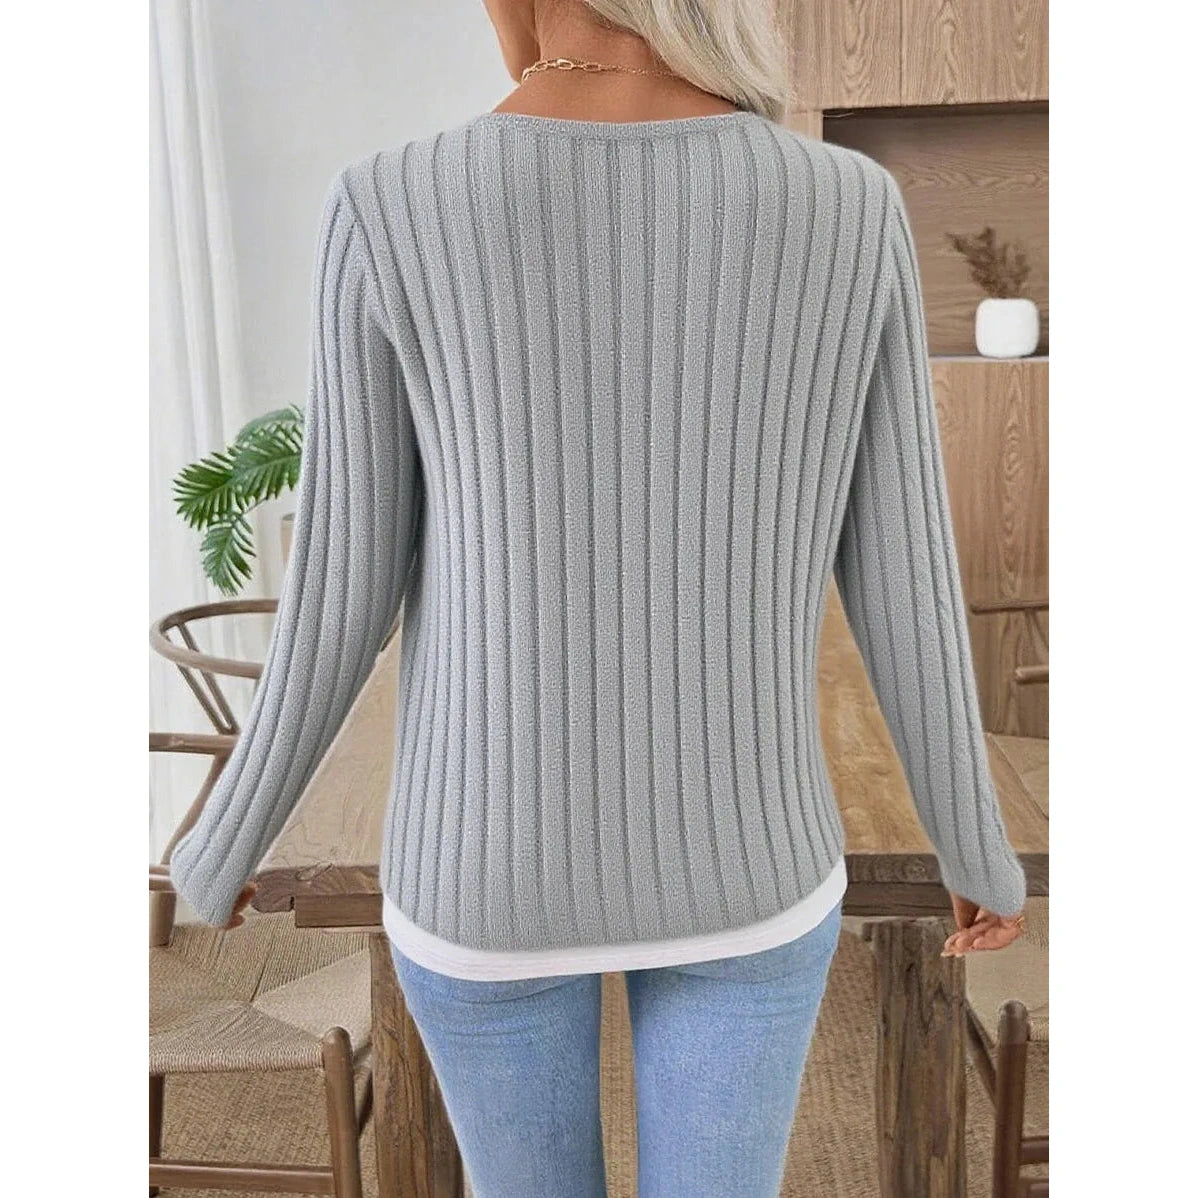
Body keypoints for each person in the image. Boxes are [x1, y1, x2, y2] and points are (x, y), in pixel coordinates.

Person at [168, 1, 1030, 1193]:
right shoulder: (844, 203)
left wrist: (226, 839)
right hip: (749, 864)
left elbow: (339, 586)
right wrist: (970, 840)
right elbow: (904, 572)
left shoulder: (392, 200)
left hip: (481, 873)